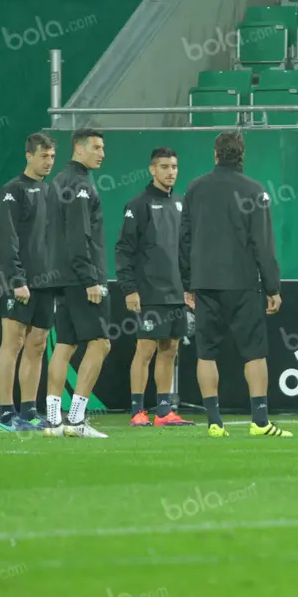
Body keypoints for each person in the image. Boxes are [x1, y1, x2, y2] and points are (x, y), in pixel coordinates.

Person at [180, 131, 287, 438]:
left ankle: (214, 422)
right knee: (254, 353)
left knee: (206, 353)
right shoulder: (255, 190)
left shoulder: (194, 188)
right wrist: (273, 287)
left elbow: (183, 241)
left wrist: (188, 284)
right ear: (242, 155)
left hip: (205, 283)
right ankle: (260, 422)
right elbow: (263, 245)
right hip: (242, 284)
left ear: (216, 154)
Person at [115, 147, 194, 428]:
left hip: (177, 294)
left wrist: (189, 288)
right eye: (164, 167)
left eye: (174, 166)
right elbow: (124, 250)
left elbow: (187, 252)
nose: (170, 171)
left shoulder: (183, 204)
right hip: (149, 293)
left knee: (170, 349)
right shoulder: (138, 205)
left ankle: (163, 411)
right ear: (152, 170)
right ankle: (137, 411)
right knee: (145, 350)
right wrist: (129, 289)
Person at [44, 128, 111, 438]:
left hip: (60, 277)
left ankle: (53, 420)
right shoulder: (80, 185)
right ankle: (76, 419)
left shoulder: (57, 182)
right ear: (79, 150)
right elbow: (78, 237)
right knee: (100, 343)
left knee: (65, 344)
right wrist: (91, 280)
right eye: (96, 147)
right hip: (82, 278)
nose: (102, 153)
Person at [0, 133, 57, 432]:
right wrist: (17, 278)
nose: (48, 162)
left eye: (52, 157)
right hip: (20, 282)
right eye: (43, 156)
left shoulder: (51, 192)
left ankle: (29, 410)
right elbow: (8, 240)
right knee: (13, 342)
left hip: (46, 282)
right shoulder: (12, 191)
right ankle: (7, 413)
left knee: (38, 344)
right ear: (29, 156)